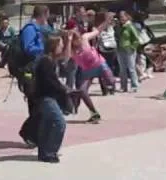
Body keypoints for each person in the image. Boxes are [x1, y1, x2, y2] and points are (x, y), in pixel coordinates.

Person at [35, 34, 76, 163]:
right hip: (46, 97)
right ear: (54, 46)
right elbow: (50, 82)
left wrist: (68, 41)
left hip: (48, 97)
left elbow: (66, 57)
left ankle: (43, 152)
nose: (62, 47)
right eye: (60, 45)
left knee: (46, 124)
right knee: (59, 123)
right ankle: (50, 152)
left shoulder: (50, 60)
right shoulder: (46, 62)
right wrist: (64, 89)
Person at [68, 12, 116, 123]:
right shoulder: (71, 50)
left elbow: (98, 30)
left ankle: (108, 83)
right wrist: (69, 40)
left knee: (111, 82)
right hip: (88, 71)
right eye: (76, 40)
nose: (79, 41)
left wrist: (107, 21)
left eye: (78, 38)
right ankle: (94, 113)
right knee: (83, 91)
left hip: (100, 64)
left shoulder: (85, 38)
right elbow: (65, 57)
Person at [18, 5, 49, 147]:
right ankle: (28, 133)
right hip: (29, 72)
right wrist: (43, 48)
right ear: (43, 15)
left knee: (39, 104)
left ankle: (33, 134)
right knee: (35, 104)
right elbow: (28, 48)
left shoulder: (38, 28)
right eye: (46, 16)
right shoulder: (30, 29)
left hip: (37, 71)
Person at [117, 10, 140, 93]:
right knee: (122, 69)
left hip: (129, 49)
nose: (121, 18)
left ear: (127, 17)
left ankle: (134, 85)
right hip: (120, 49)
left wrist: (132, 47)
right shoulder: (119, 26)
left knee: (131, 68)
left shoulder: (130, 26)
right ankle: (123, 86)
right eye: (120, 17)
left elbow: (136, 39)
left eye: (123, 16)